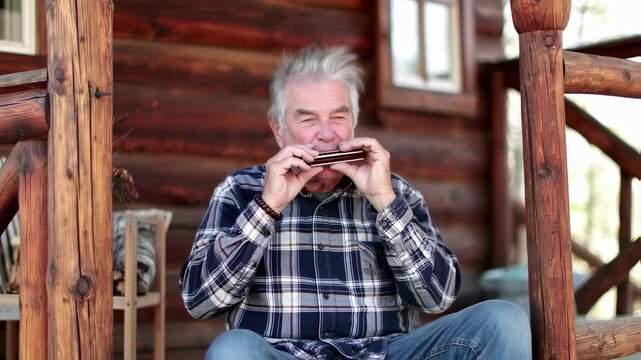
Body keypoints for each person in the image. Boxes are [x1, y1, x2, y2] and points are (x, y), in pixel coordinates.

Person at [179, 45, 532, 360]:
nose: (327, 133)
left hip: (387, 354)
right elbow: (200, 301)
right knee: (232, 351)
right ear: (278, 129)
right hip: (285, 355)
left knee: (505, 320)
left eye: (338, 116)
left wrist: (384, 202)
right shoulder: (240, 191)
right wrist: (267, 207)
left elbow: (438, 298)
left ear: (354, 122)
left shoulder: (395, 192)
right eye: (308, 118)